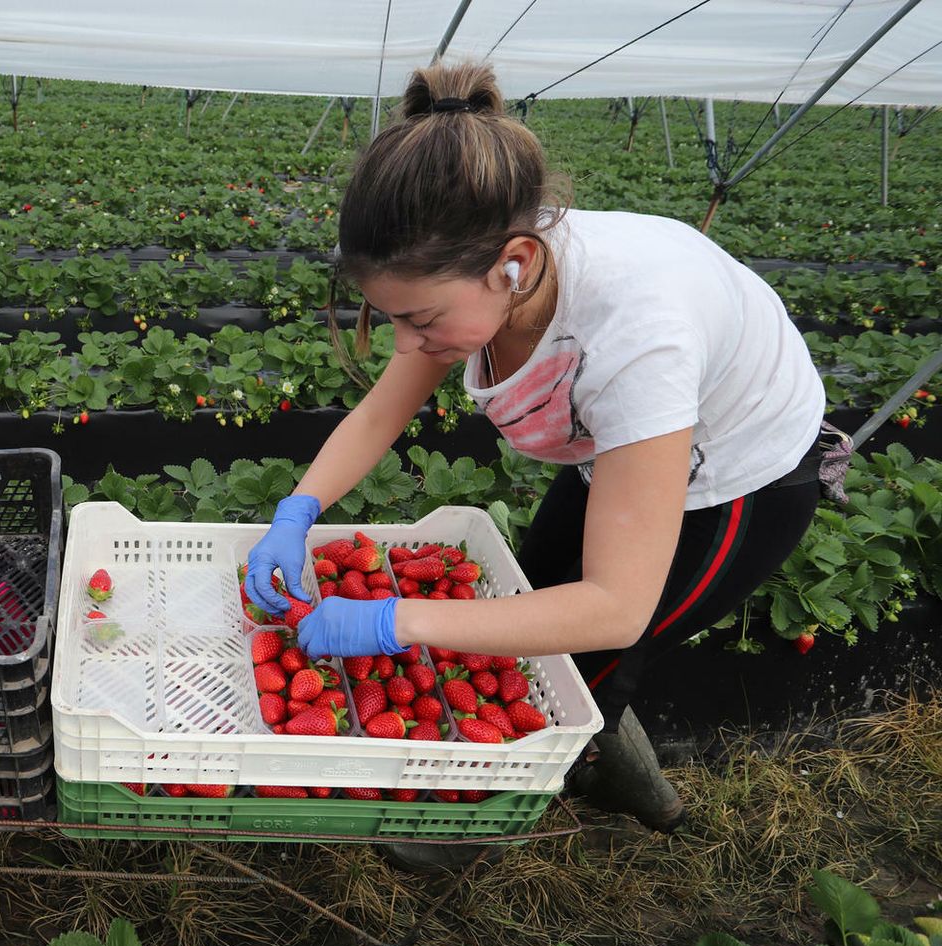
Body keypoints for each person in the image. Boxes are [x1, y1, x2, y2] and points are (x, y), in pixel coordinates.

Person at [243, 62, 831, 840]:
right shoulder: (476, 264)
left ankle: (484, 825)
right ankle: (632, 783)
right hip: (625, 447)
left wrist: (395, 622)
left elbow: (614, 608)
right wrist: (298, 509)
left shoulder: (635, 339)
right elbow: (384, 410)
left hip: (737, 477)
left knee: (575, 664)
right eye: (390, 317)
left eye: (418, 320)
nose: (406, 343)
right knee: (529, 626)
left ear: (513, 265)